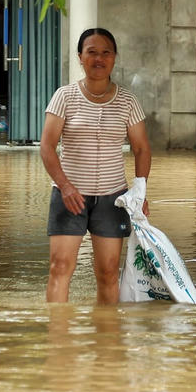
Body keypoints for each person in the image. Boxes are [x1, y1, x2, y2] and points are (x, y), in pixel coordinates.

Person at [39, 28, 151, 304]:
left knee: (108, 272)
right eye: (91, 52)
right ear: (80, 57)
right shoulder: (64, 96)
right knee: (59, 267)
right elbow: (47, 146)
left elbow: (141, 148)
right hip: (69, 196)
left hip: (113, 199)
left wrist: (140, 191)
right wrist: (65, 186)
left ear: (114, 57)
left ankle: (107, 330)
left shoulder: (128, 101)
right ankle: (58, 330)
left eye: (105, 53)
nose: (99, 59)